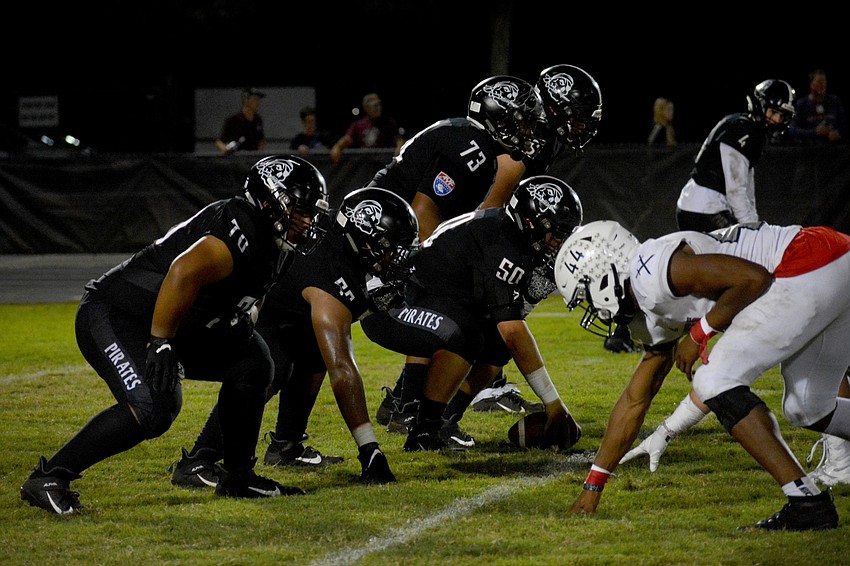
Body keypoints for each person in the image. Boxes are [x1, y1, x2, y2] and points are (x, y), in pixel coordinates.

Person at [19, 155, 332, 514]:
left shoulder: (276, 241)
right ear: (268, 202)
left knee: (255, 362)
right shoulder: (239, 229)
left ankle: (238, 476)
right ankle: (50, 477)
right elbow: (182, 273)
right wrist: (162, 341)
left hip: (177, 320)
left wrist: (240, 319)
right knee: (155, 405)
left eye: (311, 213)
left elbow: (256, 287)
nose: (307, 222)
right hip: (119, 313)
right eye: (300, 212)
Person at [554, 219, 850, 531]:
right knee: (807, 406)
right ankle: (807, 503)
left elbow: (751, 279)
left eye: (585, 294)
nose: (591, 307)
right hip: (833, 262)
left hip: (806, 261)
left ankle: (806, 503)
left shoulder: (651, 273)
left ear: (603, 273)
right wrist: (592, 487)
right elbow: (634, 401)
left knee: (714, 381)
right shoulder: (646, 302)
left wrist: (698, 334)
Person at [168, 186, 420, 486]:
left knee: (311, 353)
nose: (394, 257)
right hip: (245, 309)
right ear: (365, 236)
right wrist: (369, 448)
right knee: (267, 370)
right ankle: (199, 460)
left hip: (276, 304)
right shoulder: (331, 277)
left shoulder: (335, 238)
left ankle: (286, 446)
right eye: (389, 247)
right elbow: (343, 368)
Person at [365, 75, 554, 441]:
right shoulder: (473, 147)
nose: (528, 129)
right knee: (454, 314)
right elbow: (423, 211)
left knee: (463, 318)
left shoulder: (475, 142)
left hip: (388, 244)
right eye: (522, 120)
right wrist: (430, 265)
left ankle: (414, 410)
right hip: (382, 245)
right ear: (500, 117)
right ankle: (413, 411)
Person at [364, 175, 584, 452]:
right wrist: (554, 403)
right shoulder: (499, 242)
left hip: (427, 301)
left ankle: (444, 421)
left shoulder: (507, 236)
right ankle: (422, 429)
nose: (559, 242)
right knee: (466, 334)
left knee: (492, 342)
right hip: (391, 305)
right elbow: (514, 331)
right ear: (530, 222)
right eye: (556, 232)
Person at [675, 79, 796, 233]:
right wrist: (752, 230)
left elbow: (746, 186)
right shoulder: (743, 131)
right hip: (704, 208)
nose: (777, 120)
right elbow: (736, 190)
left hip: (697, 205)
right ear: (760, 105)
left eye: (782, 116)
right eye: (773, 112)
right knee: (743, 247)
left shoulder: (747, 129)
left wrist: (753, 222)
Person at [329, 93, 404, 163]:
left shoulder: (388, 123)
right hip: (364, 165)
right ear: (366, 108)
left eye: (379, 105)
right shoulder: (358, 125)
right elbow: (346, 140)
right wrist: (337, 148)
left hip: (383, 163)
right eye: (374, 105)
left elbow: (398, 140)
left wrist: (399, 148)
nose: (378, 108)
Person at [789, 69, 847, 145]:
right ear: (811, 84)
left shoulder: (834, 101)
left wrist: (839, 133)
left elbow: (844, 124)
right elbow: (792, 130)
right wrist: (814, 132)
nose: (822, 85)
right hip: (810, 149)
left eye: (824, 81)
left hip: (834, 149)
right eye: (819, 82)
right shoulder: (801, 104)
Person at [215, 87, 267, 155]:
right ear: (246, 101)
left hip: (252, 160)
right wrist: (226, 151)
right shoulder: (233, 120)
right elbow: (219, 142)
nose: (258, 103)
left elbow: (261, 140)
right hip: (236, 160)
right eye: (255, 100)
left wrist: (259, 153)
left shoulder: (258, 120)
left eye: (258, 100)